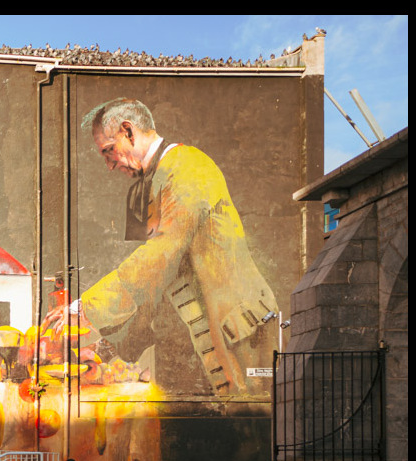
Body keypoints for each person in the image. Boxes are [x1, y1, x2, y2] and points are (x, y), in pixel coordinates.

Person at [44, 98, 277, 397]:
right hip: (214, 336)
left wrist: (87, 309)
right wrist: (107, 347)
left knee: (249, 425)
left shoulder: (187, 167)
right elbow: (150, 284)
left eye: (109, 151)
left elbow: (160, 256)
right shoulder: (151, 182)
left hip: (239, 334)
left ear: (128, 132)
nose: (109, 165)